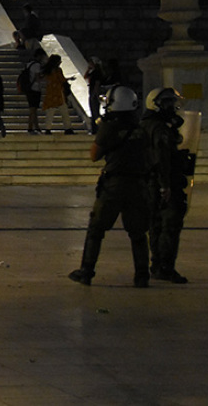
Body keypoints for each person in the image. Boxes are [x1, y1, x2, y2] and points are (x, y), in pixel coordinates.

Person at [69, 85, 153, 288]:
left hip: (114, 185)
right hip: (138, 184)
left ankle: (87, 271)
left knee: (96, 229)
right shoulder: (141, 128)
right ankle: (142, 275)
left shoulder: (110, 127)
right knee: (138, 233)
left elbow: (94, 155)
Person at [142, 87, 191, 284]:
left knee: (155, 226)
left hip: (148, 182)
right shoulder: (160, 129)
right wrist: (165, 185)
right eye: (167, 103)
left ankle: (156, 264)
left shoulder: (145, 124)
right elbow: (162, 157)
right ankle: (165, 267)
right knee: (169, 226)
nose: (171, 107)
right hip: (163, 182)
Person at [41, 54, 75, 135]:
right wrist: (69, 79)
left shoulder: (47, 70)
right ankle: (68, 128)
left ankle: (48, 128)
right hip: (58, 93)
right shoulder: (57, 70)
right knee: (64, 111)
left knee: (50, 111)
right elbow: (61, 80)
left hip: (50, 93)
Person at [24, 48, 45, 134]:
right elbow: (37, 78)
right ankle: (30, 127)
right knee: (33, 109)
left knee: (33, 109)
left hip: (29, 89)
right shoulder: (37, 65)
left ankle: (36, 127)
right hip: (35, 89)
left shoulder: (29, 64)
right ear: (40, 56)